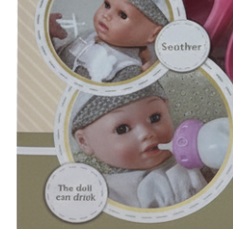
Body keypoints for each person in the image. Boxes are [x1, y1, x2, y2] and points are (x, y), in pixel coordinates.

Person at [71, 83, 208, 208]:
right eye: (122, 129)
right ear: (84, 142)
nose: (147, 133)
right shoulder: (102, 193)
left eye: (155, 118)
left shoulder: (196, 157)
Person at [50, 0, 168, 82]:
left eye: (122, 15)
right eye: (107, 5)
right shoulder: (87, 37)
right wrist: (49, 35)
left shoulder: (126, 68)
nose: (106, 15)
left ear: (153, 34)